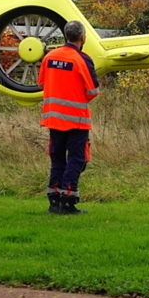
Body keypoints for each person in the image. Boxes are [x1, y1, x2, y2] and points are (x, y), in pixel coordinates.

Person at [38, 20, 99, 215]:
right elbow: (92, 91)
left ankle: (54, 201)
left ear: (66, 36)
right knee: (76, 159)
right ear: (83, 37)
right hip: (77, 120)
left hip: (54, 119)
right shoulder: (82, 59)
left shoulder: (49, 57)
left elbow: (41, 84)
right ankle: (68, 200)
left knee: (57, 159)